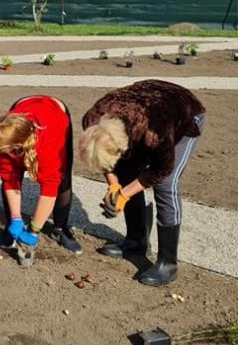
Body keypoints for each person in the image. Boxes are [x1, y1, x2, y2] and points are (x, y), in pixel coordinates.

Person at [78, 80, 205, 286]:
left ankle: (168, 263)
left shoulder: (154, 133)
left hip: (184, 115)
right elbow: (105, 158)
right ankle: (136, 242)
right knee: (126, 171)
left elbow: (162, 169)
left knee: (166, 185)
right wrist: (113, 185)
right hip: (143, 108)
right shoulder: (91, 121)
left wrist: (124, 195)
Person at [0, 96, 82, 255]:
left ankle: (60, 227)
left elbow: (49, 190)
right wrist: (16, 218)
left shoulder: (48, 145)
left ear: (17, 146)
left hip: (53, 113)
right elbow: (10, 179)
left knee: (62, 179)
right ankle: (12, 226)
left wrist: (34, 230)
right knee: (10, 175)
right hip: (24, 105)